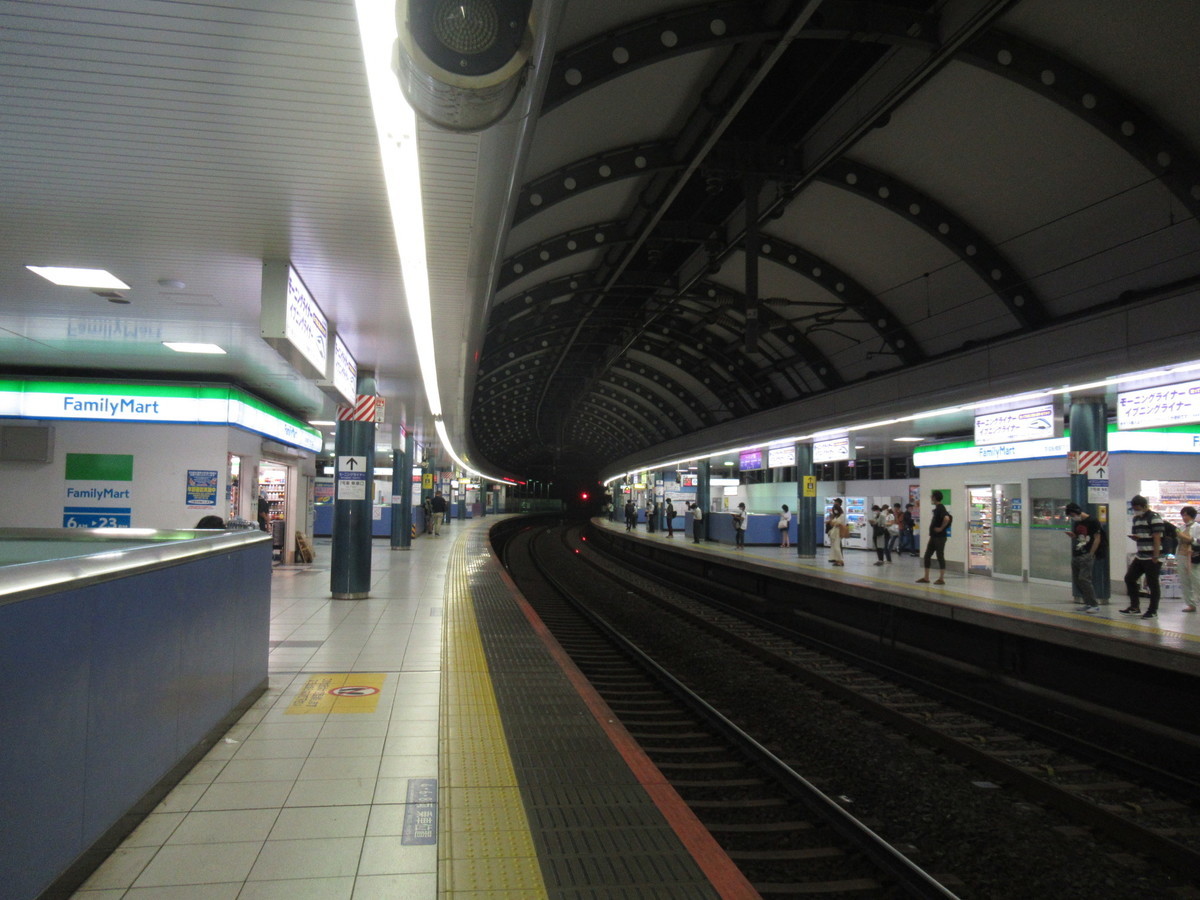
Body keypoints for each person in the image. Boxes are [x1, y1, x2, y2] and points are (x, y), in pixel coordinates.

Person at [1121, 494, 1164, 619]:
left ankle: (1153, 610)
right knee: (1129, 578)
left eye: (1138, 508)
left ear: (1145, 506)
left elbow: (1157, 537)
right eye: (1134, 508)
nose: (1136, 510)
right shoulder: (1136, 519)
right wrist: (1135, 538)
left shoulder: (1154, 517)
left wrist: (1156, 556)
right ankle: (1134, 607)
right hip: (1140, 555)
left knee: (1152, 583)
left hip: (1152, 556)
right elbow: (1139, 535)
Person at [1064, 502, 1102, 614]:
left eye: (1072, 515)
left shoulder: (1093, 521)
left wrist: (1091, 554)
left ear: (1076, 512)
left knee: (1084, 579)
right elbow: (1080, 537)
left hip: (1086, 554)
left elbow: (1097, 538)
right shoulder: (1077, 522)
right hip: (1077, 553)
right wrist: (1073, 536)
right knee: (1078, 580)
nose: (1072, 517)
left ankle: (1094, 604)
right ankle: (1088, 603)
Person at [916, 490, 952, 584]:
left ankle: (941, 579)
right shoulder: (937, 508)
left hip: (939, 537)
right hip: (934, 536)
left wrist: (941, 528)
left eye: (931, 496)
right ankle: (926, 577)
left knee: (940, 556)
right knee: (927, 555)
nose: (930, 498)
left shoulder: (940, 507)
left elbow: (947, 518)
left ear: (935, 497)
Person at [1177, 506, 1199, 613]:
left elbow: (1197, 541)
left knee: (1196, 580)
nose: (1184, 517)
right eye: (1183, 515)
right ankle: (1190, 604)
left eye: (1186, 515)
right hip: (1181, 555)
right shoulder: (1181, 528)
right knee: (1184, 581)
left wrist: (1187, 538)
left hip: (1193, 557)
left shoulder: (1197, 527)